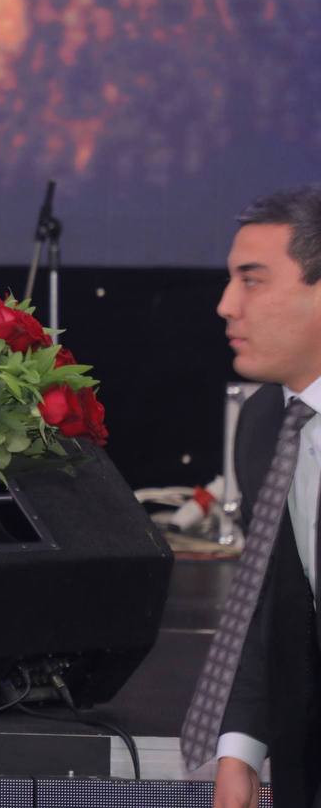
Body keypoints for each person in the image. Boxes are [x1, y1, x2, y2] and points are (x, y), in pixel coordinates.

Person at [191, 185, 321, 808]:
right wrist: (240, 751)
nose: (225, 305)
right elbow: (264, 601)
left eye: (252, 280)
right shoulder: (265, 421)